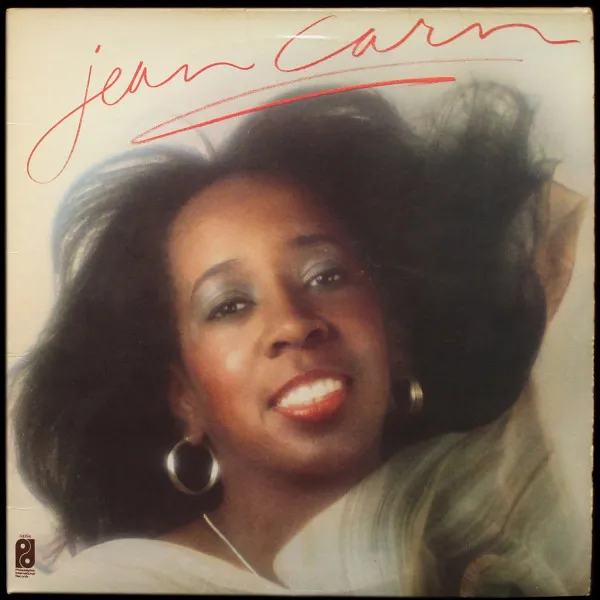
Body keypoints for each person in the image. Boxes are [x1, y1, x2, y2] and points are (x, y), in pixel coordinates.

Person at [9, 81, 590, 595]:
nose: (293, 323)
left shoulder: (516, 501)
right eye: (230, 306)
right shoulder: (120, 586)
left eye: (326, 276)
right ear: (183, 395)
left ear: (394, 332)